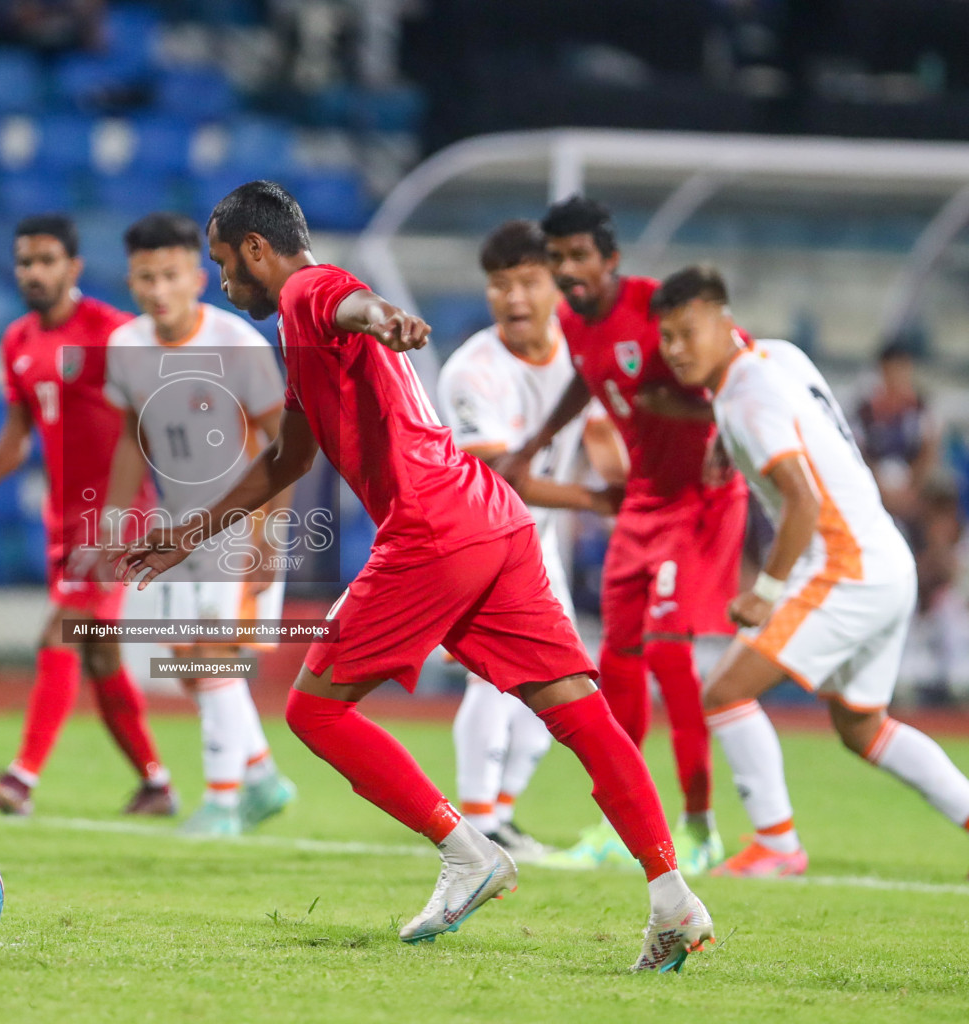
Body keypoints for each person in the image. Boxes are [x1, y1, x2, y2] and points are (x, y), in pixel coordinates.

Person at [116, 181, 714, 972]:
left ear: (258, 251)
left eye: (225, 265)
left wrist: (385, 317)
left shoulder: (307, 292)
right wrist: (188, 530)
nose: (226, 282)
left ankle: (466, 852)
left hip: (432, 528)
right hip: (491, 516)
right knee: (576, 708)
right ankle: (674, 898)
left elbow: (350, 302)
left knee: (314, 710)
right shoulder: (304, 338)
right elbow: (290, 458)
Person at [655, 265, 969, 876]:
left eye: (687, 333)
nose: (675, 350)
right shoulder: (779, 355)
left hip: (845, 567)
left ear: (723, 324)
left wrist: (765, 592)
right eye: (666, 338)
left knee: (723, 693)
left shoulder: (745, 399)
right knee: (862, 727)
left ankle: (776, 843)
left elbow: (801, 500)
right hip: (885, 556)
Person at [504, 196, 743, 874]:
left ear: (610, 259)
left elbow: (739, 355)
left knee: (670, 657)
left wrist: (724, 428)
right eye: (557, 259)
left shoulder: (654, 305)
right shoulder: (576, 325)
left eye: (579, 256)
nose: (568, 270)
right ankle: (623, 826)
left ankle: (699, 827)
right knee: (615, 663)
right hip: (643, 501)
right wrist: (539, 441)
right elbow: (588, 377)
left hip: (698, 501)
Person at [0, 214, 175, 818]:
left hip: (118, 517)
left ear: (73, 268)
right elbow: (18, 432)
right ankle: (156, 784)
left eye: (47, 260)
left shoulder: (114, 333)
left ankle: (22, 780)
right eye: (25, 261)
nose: (34, 272)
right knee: (100, 654)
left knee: (62, 632)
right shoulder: (18, 342)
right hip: (63, 520)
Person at [101, 212, 297, 836]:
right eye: (143, 277)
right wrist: (113, 516)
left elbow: (285, 443)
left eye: (169, 274)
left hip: (240, 526)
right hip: (177, 527)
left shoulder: (237, 345)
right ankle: (262, 777)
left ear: (197, 276)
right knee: (186, 663)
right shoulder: (125, 348)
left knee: (213, 656)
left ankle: (221, 803)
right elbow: (134, 437)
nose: (157, 289)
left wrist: (270, 539)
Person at [434, 220, 624, 863]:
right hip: (474, 545)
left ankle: (501, 813)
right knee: (491, 681)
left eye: (527, 282)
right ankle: (480, 824)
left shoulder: (577, 350)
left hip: (538, 552)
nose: (514, 298)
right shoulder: (472, 371)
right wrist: (598, 501)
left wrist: (630, 483)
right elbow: (496, 479)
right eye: (499, 284)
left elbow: (597, 433)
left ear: (554, 285)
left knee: (566, 682)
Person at [853, 339, 941, 534]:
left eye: (900, 371)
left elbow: (929, 452)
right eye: (889, 371)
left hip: (912, 491)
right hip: (874, 488)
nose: (894, 378)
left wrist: (913, 489)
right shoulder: (864, 412)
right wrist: (879, 488)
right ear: (881, 371)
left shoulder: (921, 410)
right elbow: (858, 453)